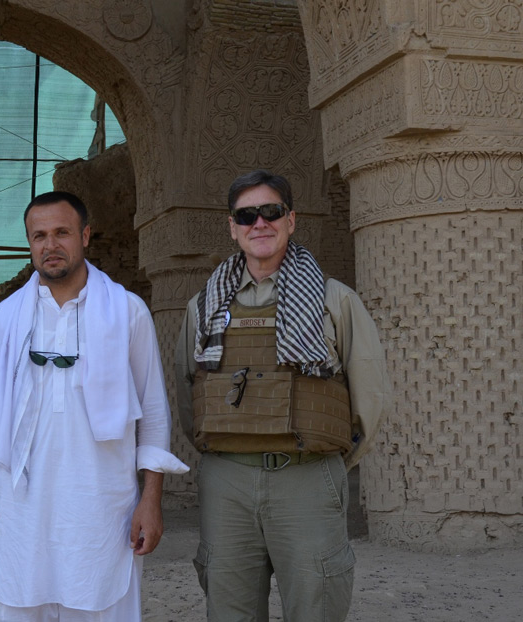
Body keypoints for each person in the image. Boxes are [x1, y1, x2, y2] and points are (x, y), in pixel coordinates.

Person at [0, 191, 189, 621]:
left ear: (85, 235)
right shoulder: (10, 315)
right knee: (21, 602)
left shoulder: (127, 311)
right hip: (22, 508)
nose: (50, 245)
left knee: (101, 601)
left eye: (62, 232)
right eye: (39, 236)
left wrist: (151, 500)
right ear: (30, 244)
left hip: (101, 507)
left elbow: (155, 413)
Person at [175, 170, 390, 621]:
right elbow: (187, 394)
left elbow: (369, 398)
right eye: (246, 215)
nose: (259, 223)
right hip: (227, 482)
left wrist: (327, 460)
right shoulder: (203, 307)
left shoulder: (334, 300)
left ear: (290, 220)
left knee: (316, 604)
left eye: (270, 212)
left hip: (307, 479)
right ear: (232, 227)